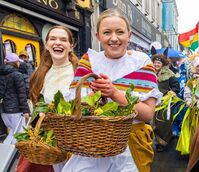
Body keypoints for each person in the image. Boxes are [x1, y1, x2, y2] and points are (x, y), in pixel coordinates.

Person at [62, 8, 162, 172]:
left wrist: (115, 94)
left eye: (120, 32)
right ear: (98, 36)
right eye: (107, 32)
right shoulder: (89, 62)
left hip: (130, 147)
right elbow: (73, 109)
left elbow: (148, 114)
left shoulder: (141, 62)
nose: (114, 38)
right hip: (91, 144)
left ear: (129, 35)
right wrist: (92, 99)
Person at [15, 25, 79, 172]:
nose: (57, 42)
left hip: (71, 143)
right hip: (44, 144)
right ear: (47, 45)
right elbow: (36, 108)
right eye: (53, 39)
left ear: (71, 46)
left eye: (63, 39)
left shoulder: (78, 72)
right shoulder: (41, 72)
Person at [0, 53, 30, 144]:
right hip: (15, 110)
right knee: (20, 133)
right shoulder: (17, 75)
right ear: (16, 62)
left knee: (13, 131)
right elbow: (21, 95)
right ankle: (10, 155)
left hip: (3, 111)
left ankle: (5, 153)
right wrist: (26, 110)